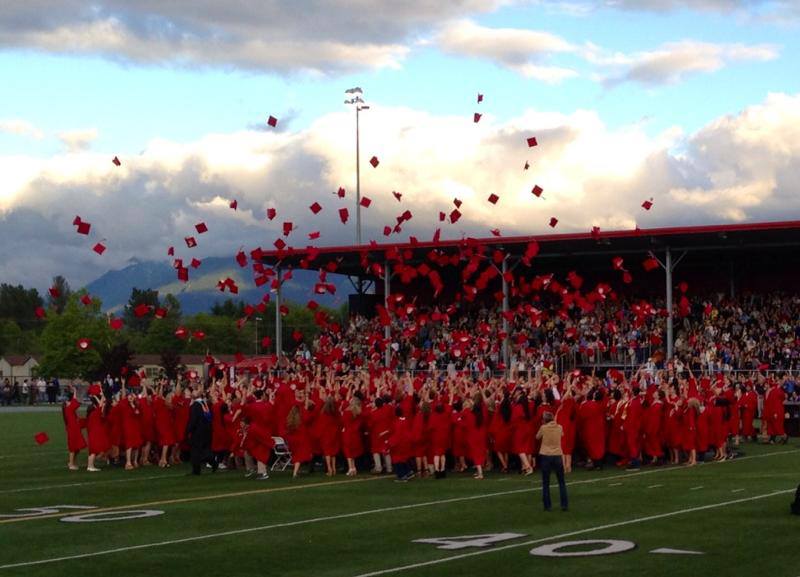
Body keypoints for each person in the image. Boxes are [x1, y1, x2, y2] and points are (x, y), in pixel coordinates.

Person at [535, 411, 568, 512]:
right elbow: (562, 435)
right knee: (561, 481)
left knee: (546, 482)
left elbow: (537, 437)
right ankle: (564, 504)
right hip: (557, 454)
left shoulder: (543, 428)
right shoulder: (560, 427)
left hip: (546, 454)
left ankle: (547, 505)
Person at [186, 390, 215, 475]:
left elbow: (193, 420)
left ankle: (197, 469)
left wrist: (188, 430)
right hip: (206, 431)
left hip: (197, 431)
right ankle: (212, 462)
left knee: (196, 451)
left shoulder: (196, 405)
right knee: (203, 450)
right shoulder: (204, 403)